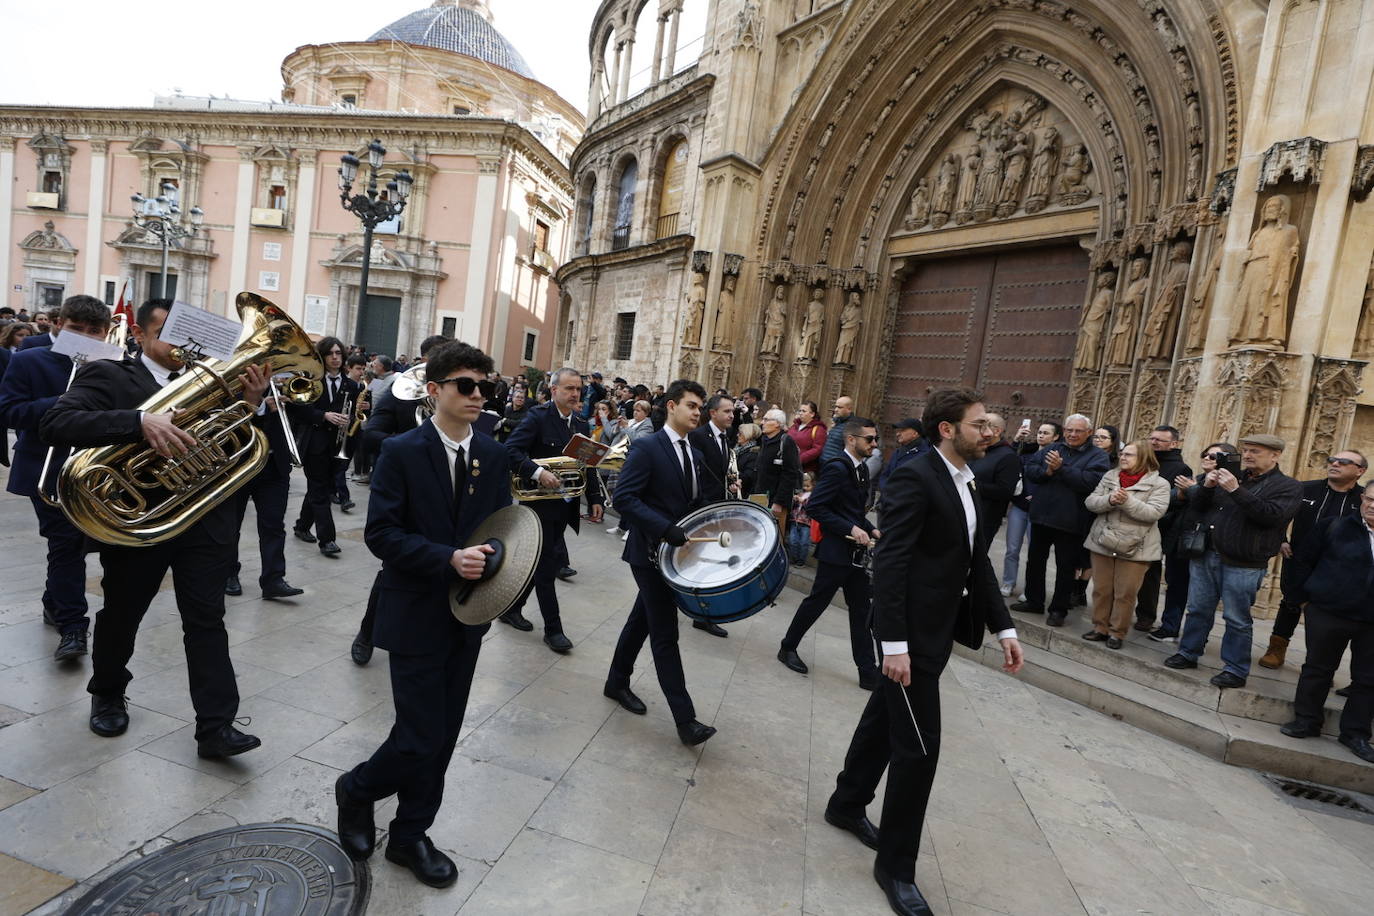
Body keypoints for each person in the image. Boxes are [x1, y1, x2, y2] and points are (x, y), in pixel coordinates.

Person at [826, 388, 1023, 916]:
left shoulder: (967, 480)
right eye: (980, 424)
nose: (989, 432)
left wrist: (1003, 628)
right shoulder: (916, 475)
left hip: (935, 633)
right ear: (947, 429)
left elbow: (973, 559)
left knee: (881, 725)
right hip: (907, 640)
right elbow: (890, 562)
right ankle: (895, 868)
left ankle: (846, 804)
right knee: (918, 749)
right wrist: (893, 646)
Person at [39, 299, 265, 757]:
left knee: (207, 620)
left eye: (188, 334)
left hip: (202, 521)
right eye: (168, 332)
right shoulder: (110, 375)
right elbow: (55, 422)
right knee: (123, 614)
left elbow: (239, 445)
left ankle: (216, 726)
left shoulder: (212, 381)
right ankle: (106, 691)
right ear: (139, 335)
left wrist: (250, 404)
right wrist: (139, 421)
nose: (182, 344)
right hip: (138, 523)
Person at [334, 341, 511, 887]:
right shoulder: (402, 451)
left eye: (486, 386)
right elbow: (381, 534)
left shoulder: (494, 454)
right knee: (418, 735)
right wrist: (447, 558)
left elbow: (499, 532)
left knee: (446, 732)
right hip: (413, 611)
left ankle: (410, 834)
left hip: (469, 617)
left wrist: (501, 564)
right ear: (434, 390)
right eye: (466, 385)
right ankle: (358, 789)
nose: (479, 395)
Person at [602, 378, 718, 747]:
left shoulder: (695, 453)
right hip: (648, 553)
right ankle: (686, 720)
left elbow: (694, 503)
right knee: (665, 632)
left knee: (642, 621)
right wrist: (665, 529)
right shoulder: (648, 447)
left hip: (676, 555)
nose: (697, 413)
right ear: (671, 406)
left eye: (700, 407)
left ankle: (616, 681)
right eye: (691, 406)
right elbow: (625, 498)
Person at [0, 295, 112, 661]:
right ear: (59, 325)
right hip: (46, 470)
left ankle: (54, 601)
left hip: (98, 471)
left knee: (75, 547)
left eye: (94, 332)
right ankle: (73, 627)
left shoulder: (112, 364)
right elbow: (10, 412)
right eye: (77, 329)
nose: (85, 336)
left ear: (106, 333)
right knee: (66, 546)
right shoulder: (30, 360)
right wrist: (64, 401)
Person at [1165, 433, 1302, 688]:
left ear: (1275, 456)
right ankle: (1188, 652)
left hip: (1245, 563)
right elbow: (1197, 507)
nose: (1248, 455)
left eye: (1256, 452)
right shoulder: (1229, 474)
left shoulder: (1288, 486)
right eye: (1246, 450)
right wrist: (1206, 487)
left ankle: (1235, 669)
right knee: (1197, 609)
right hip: (1206, 554)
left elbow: (1271, 516)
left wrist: (1235, 490)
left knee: (1237, 618)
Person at [350, 335, 449, 666]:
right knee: (393, 567)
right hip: (403, 489)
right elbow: (371, 432)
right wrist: (407, 444)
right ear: (422, 360)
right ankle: (367, 633)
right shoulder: (400, 394)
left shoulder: (453, 395)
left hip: (441, 489)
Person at [502, 367, 604, 652]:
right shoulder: (537, 417)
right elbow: (511, 450)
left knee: (541, 564)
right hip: (538, 506)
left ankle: (512, 609)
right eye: (569, 389)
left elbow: (588, 465)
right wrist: (537, 472)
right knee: (547, 567)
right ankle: (553, 630)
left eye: (578, 390)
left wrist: (595, 498)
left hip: (565, 507)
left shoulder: (581, 424)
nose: (575, 394)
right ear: (554, 390)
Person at [778, 418, 883, 689]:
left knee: (862, 611)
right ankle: (787, 647)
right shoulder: (839, 468)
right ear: (851, 440)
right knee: (817, 602)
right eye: (869, 439)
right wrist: (850, 528)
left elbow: (853, 511)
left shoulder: (860, 470)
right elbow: (817, 508)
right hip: (836, 552)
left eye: (875, 439)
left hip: (855, 553)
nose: (874, 443)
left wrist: (870, 529)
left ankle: (867, 671)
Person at [1278, 489, 1374, 764]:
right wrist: (1305, 601)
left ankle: (1355, 733)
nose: (1373, 506)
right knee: (1318, 668)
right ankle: (1306, 721)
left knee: (1368, 679)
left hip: (1372, 621)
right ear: (1362, 500)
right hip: (1328, 612)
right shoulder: (1333, 526)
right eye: (1370, 499)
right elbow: (1303, 561)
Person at [1262, 449, 1367, 668]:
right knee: (1291, 602)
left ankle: (1319, 663)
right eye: (1332, 460)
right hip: (1300, 559)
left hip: (1340, 567)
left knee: (1327, 615)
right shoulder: (1305, 489)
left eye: (1344, 462)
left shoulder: (1363, 499)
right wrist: (1281, 538)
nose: (1335, 464)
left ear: (1360, 471)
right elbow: (1279, 515)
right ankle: (1276, 648)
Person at [1013, 414, 1110, 626]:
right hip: (1041, 515)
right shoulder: (1052, 448)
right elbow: (1031, 469)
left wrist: (1061, 469)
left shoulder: (1098, 456)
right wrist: (1047, 471)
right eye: (1069, 430)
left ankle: (1058, 609)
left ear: (1088, 433)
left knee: (1065, 567)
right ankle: (1034, 601)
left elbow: (1091, 482)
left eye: (1078, 431)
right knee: (1035, 562)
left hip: (1071, 520)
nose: (1072, 434)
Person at [1080, 441, 1170, 649]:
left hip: (1136, 546)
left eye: (1129, 455)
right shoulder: (1110, 476)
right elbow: (1091, 502)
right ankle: (1099, 628)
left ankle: (1117, 633)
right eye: (1122, 453)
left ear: (1144, 458)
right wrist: (1110, 499)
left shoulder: (1160, 484)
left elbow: (1154, 513)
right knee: (1101, 589)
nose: (1123, 457)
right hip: (1103, 540)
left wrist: (1126, 501)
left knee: (1125, 593)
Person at [226, 375, 305, 601]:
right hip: (240, 464)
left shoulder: (286, 379)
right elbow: (229, 418)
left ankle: (273, 580)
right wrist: (260, 407)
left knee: (273, 525)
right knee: (232, 524)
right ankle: (229, 574)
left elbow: (305, 415)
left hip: (274, 466)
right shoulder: (237, 378)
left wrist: (293, 401)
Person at [1149, 443, 1236, 642]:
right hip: (1181, 541)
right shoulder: (1197, 479)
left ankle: (1195, 637)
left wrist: (1194, 490)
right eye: (1205, 454)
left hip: (1206, 546)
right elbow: (1169, 501)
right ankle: (1169, 627)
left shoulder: (1230, 485)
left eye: (1213, 457)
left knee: (1200, 597)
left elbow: (1214, 507)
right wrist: (1182, 493)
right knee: (1175, 585)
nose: (1206, 458)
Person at [293, 337, 362, 558]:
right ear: (322, 356)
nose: (335, 357)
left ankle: (302, 526)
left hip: (339, 446)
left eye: (338, 353)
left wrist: (362, 410)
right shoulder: (311, 381)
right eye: (330, 353)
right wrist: (323, 415)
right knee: (320, 490)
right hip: (315, 444)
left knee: (320, 488)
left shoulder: (352, 386)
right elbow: (299, 410)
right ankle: (327, 539)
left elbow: (354, 416)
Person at [1134, 426, 1193, 634]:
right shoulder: (1144, 461)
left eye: (1159, 439)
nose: (1154, 442)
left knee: (1150, 572)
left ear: (1174, 444)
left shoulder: (1180, 468)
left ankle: (1146, 616)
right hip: (1132, 521)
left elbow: (1176, 501)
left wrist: (1156, 517)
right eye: (1151, 438)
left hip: (1157, 526)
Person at [1002, 421, 1060, 596]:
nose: (1041, 435)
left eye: (1046, 433)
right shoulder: (1027, 452)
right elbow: (1008, 462)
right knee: (1012, 548)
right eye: (1040, 432)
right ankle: (1008, 582)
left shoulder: (1058, 457)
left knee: (1035, 553)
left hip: (1040, 510)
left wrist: (1038, 496)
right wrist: (1016, 441)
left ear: (1056, 437)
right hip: (1020, 507)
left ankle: (1029, 589)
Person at [968, 413, 1020, 542]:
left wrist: (972, 485)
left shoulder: (1008, 456)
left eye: (982, 426)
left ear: (996, 431)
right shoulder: (976, 449)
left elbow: (1005, 491)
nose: (978, 430)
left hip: (985, 518)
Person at [755, 408, 802, 535]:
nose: (762, 422)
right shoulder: (765, 441)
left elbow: (790, 474)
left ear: (777, 423)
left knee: (775, 534)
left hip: (776, 500)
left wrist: (779, 501)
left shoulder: (786, 442)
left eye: (766, 420)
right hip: (761, 496)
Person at [878, 418, 926, 496]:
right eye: (897, 431)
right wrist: (886, 490)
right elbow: (885, 475)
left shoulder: (925, 454)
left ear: (915, 433)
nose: (898, 434)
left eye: (902, 430)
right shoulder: (898, 452)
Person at [788, 401, 828, 475]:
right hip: (788, 465)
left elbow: (817, 449)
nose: (800, 413)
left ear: (812, 414)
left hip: (805, 469)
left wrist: (798, 459)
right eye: (799, 411)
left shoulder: (818, 429)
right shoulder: (794, 426)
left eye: (804, 411)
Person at [786, 473, 815, 565]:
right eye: (804, 486)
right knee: (792, 540)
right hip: (794, 521)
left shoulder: (813, 496)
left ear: (813, 485)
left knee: (804, 542)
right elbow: (792, 507)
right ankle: (793, 558)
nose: (805, 488)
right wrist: (794, 500)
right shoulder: (799, 493)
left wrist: (804, 502)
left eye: (808, 486)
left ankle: (801, 560)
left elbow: (812, 509)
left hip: (806, 523)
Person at [820, 395, 856, 463]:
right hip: (823, 464)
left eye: (839, 407)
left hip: (834, 466)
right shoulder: (836, 423)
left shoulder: (852, 426)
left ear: (849, 409)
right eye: (835, 406)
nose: (836, 410)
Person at [735, 422, 761, 497]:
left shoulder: (753, 454)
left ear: (747, 435)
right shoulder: (738, 450)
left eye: (740, 434)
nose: (737, 435)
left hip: (745, 494)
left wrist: (732, 474)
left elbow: (748, 477)